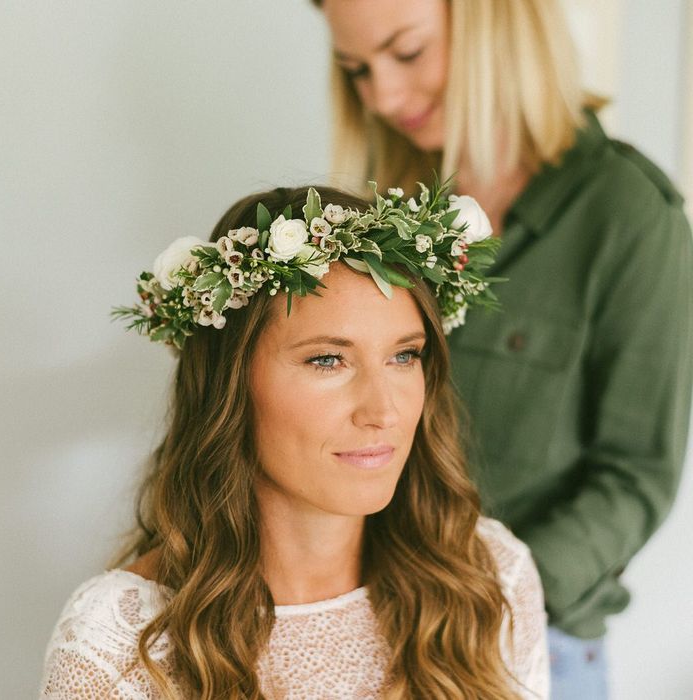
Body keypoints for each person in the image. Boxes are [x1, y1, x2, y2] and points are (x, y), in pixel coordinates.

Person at [311, 1, 693, 697]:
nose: (384, 97)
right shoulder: (389, 207)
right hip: (368, 624)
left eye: (408, 53)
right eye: (358, 70)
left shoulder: (628, 214)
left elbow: (636, 475)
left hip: (522, 644)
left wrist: (486, 599)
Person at [39, 184, 550, 698]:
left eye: (405, 355)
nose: (384, 412)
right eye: (328, 359)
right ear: (230, 385)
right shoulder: (120, 646)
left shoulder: (487, 579)